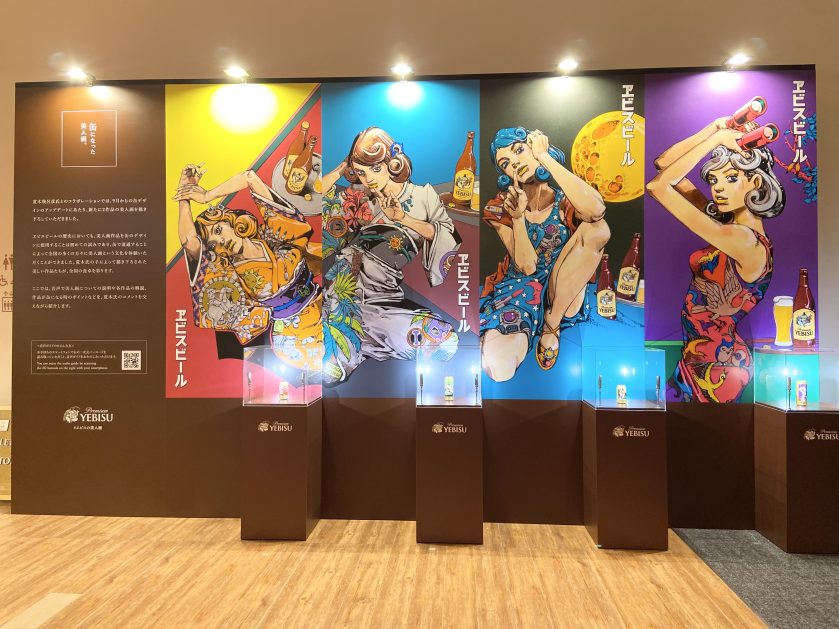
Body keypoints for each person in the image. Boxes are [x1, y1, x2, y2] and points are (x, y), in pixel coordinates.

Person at [647, 116, 785, 402]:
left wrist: (717, 140)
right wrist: (715, 127)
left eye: (731, 178)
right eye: (713, 180)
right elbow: (664, 165)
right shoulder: (728, 227)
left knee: (698, 431)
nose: (718, 188)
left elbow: (658, 187)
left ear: (755, 182)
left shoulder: (743, 240)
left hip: (719, 368)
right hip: (698, 357)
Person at [320, 127, 460, 384]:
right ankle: (349, 349)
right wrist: (342, 168)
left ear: (393, 163)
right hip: (346, 282)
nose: (369, 179)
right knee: (328, 370)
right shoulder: (360, 196)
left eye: (375, 168)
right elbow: (319, 195)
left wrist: (403, 218)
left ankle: (354, 347)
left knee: (440, 340)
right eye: (361, 172)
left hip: (382, 291)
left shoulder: (423, 196)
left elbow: (447, 235)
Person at [480, 127, 609, 380]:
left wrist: (544, 156)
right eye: (505, 163)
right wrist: (518, 218)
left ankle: (552, 324)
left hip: (564, 286)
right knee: (499, 368)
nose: (514, 163)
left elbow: (596, 211)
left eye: (519, 150)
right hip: (521, 286)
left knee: (598, 229)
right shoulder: (499, 207)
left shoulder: (567, 200)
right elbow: (527, 266)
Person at [173, 164, 323, 372]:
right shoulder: (231, 273)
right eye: (213, 243)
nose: (220, 241)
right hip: (293, 335)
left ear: (232, 222)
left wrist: (207, 195)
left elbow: (250, 177)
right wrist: (184, 198)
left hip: (323, 305)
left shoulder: (272, 236)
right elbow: (189, 241)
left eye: (219, 230)